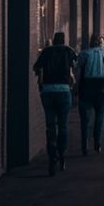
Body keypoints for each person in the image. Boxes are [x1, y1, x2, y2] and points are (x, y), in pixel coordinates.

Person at [33, 32, 77, 176]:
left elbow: (36, 67)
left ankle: (52, 154)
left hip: (48, 91)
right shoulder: (68, 51)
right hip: (64, 90)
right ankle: (62, 154)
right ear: (64, 40)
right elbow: (75, 65)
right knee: (63, 125)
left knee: (50, 125)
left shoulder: (46, 51)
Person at [76, 34, 104, 155]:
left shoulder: (84, 54)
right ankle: (97, 143)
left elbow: (78, 71)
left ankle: (84, 145)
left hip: (86, 86)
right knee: (100, 117)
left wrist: (77, 88)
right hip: (101, 86)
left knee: (84, 119)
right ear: (103, 42)